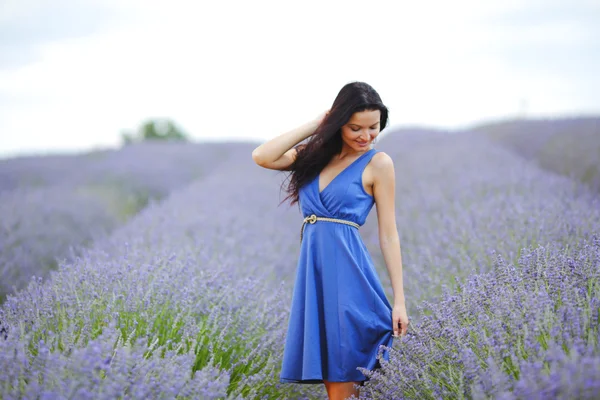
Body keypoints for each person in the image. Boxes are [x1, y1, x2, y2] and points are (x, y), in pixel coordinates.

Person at [252, 81, 408, 400]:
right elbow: (262, 156)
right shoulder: (313, 157)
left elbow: (389, 234)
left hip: (349, 277)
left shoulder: (379, 164)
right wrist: (318, 123)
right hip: (316, 274)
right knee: (334, 383)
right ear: (338, 124)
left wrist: (400, 300)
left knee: (341, 381)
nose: (365, 136)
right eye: (355, 128)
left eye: (373, 128)